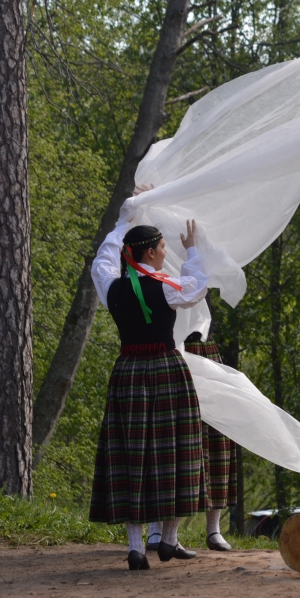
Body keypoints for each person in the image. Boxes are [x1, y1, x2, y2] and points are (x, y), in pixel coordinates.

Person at [89, 218, 210, 570]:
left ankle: (136, 546)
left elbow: (103, 262)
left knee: (130, 454)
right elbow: (198, 287)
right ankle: (169, 539)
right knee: (174, 450)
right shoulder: (167, 287)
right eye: (161, 248)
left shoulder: (111, 286)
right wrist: (192, 251)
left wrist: (123, 221)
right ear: (149, 251)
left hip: (127, 372)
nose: (164, 253)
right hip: (165, 371)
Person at [146, 331, 237, 553]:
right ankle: (156, 528)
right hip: (166, 349)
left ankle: (213, 529)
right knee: (164, 442)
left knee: (216, 438)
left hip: (203, 350)